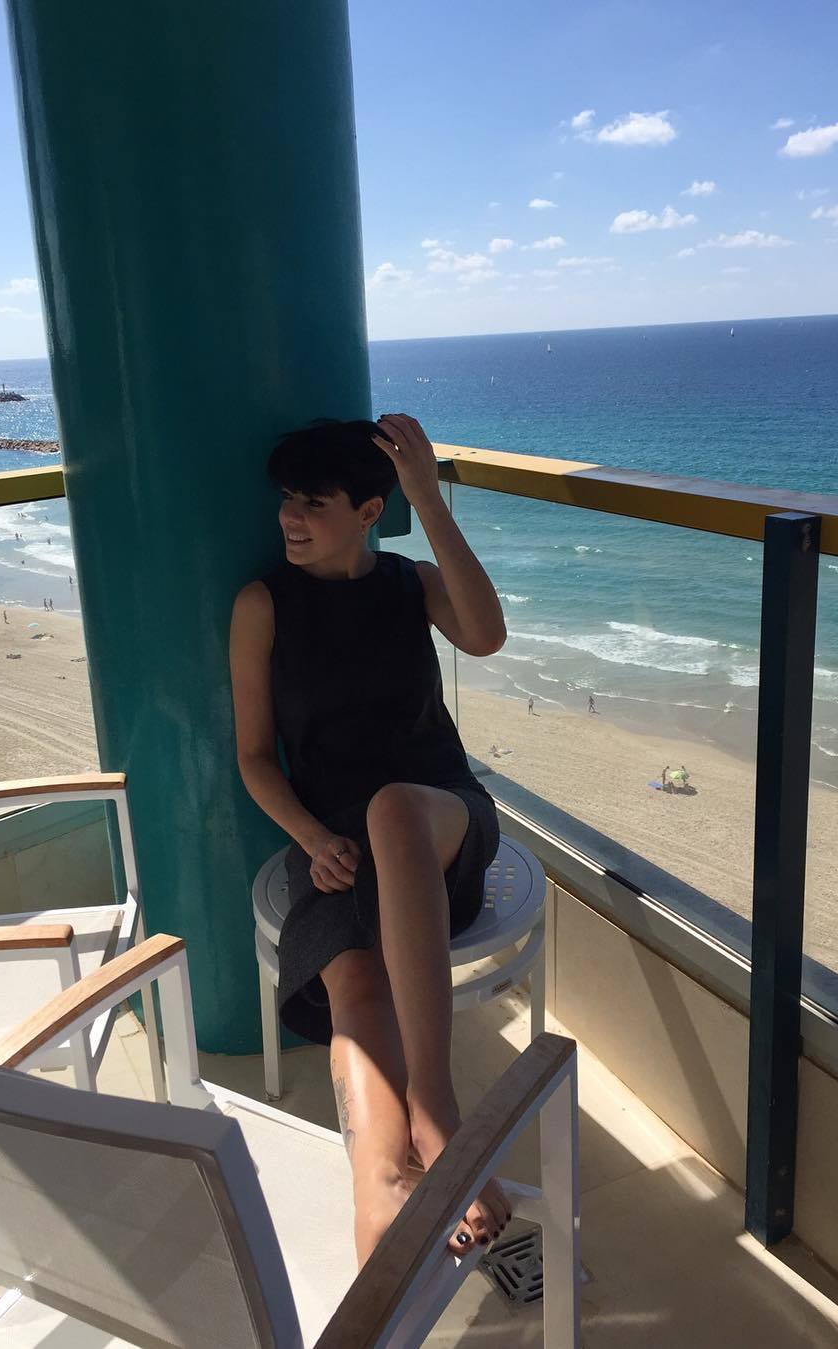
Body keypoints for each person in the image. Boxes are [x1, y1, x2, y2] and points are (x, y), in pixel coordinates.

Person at [230, 415, 509, 1268]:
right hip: (335, 841)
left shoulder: (409, 583)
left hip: (441, 819)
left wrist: (431, 499)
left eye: (314, 502)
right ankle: (380, 1186)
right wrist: (312, 836)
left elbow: (487, 634)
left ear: (369, 511)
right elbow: (254, 756)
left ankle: (435, 1103)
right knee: (351, 978)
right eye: (288, 498)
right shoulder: (262, 605)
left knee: (394, 809)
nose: (291, 516)